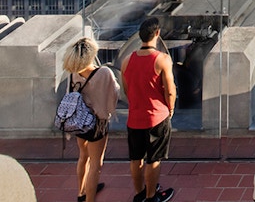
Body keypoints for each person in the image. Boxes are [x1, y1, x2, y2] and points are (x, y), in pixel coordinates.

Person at [122, 17, 177, 202]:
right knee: (154, 159)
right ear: (157, 33)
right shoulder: (162, 59)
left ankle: (139, 193)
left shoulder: (127, 60)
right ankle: (152, 196)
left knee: (135, 158)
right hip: (156, 117)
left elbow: (127, 89)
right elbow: (170, 90)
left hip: (134, 117)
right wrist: (171, 108)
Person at [64, 37, 119, 202]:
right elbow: (114, 94)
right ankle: (89, 198)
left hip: (80, 120)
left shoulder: (74, 72)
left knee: (83, 156)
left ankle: (81, 192)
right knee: (96, 164)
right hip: (97, 123)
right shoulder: (103, 73)